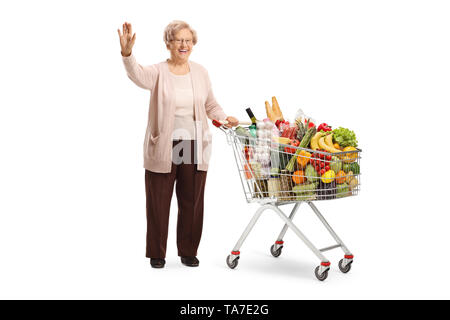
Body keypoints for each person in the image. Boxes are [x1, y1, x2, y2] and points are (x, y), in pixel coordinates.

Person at [118, 21, 238, 268]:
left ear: (193, 44)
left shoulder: (201, 72)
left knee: (191, 200)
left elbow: (211, 105)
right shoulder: (158, 72)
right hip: (164, 145)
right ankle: (157, 254)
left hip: (193, 143)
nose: (184, 45)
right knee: (158, 201)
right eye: (178, 40)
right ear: (168, 44)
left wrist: (224, 118)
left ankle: (188, 250)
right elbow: (136, 75)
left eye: (188, 41)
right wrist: (127, 54)